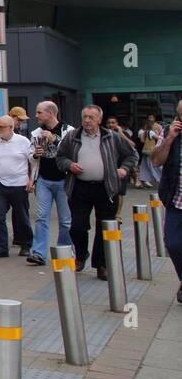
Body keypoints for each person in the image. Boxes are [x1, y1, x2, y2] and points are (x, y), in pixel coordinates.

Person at [56, 105, 138, 279]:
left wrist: (124, 169)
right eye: (84, 117)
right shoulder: (72, 136)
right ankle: (80, 254)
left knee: (105, 227)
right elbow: (60, 157)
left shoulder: (112, 137)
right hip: (79, 187)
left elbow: (132, 155)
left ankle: (101, 264)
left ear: (99, 120)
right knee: (77, 226)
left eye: (91, 117)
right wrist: (69, 165)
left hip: (106, 188)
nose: (87, 120)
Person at [28, 101, 74, 266]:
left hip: (64, 180)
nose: (36, 116)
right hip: (44, 180)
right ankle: (39, 253)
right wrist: (34, 155)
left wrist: (54, 139)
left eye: (39, 112)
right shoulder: (36, 133)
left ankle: (64, 251)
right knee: (41, 217)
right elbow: (30, 156)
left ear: (50, 113)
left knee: (65, 220)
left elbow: (72, 152)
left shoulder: (69, 131)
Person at [0, 115, 34, 259]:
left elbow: (33, 161)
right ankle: (1, 247)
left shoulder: (23, 141)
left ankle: (25, 245)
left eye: (1, 127)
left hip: (19, 184)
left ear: (11, 127)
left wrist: (31, 179)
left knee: (21, 216)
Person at [148, 100, 182, 304]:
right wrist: (169, 139)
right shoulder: (170, 132)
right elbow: (155, 160)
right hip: (176, 201)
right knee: (172, 244)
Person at [105, 117, 133, 218]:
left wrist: (121, 133)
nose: (111, 124)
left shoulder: (124, 134)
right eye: (109, 123)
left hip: (121, 168)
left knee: (120, 192)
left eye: (113, 122)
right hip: (108, 169)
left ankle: (118, 214)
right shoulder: (104, 135)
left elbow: (132, 147)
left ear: (117, 124)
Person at [140, 119, 163, 188]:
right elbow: (159, 138)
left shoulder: (145, 132)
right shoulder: (151, 132)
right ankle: (159, 179)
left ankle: (144, 180)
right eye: (155, 125)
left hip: (146, 151)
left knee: (145, 166)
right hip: (150, 151)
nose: (156, 126)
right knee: (152, 166)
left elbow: (142, 140)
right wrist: (158, 133)